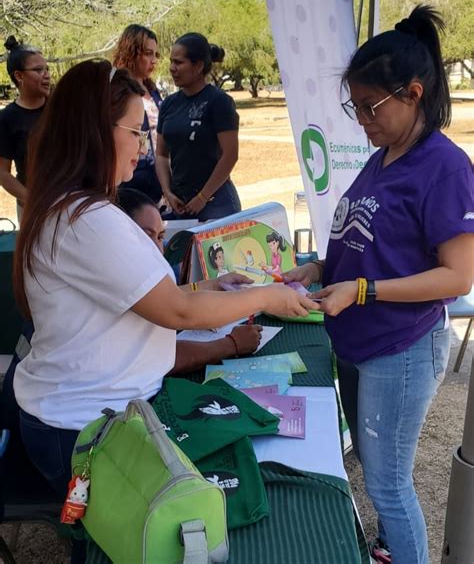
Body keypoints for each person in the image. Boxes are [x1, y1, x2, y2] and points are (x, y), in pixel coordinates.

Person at [12, 59, 316, 513]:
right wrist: (271, 294)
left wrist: (206, 289)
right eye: (135, 131)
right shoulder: (88, 219)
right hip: (81, 431)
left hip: (78, 419)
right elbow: (177, 313)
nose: (143, 147)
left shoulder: (67, 209)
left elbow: (135, 300)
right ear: (96, 130)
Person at [285, 5, 473, 564]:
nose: (360, 120)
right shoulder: (383, 157)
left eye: (370, 107)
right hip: (359, 341)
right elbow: (363, 241)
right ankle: (390, 548)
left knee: (389, 485)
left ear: (413, 93)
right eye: (356, 106)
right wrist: (319, 268)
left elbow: (458, 276)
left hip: (401, 347)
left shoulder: (445, 167)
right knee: (375, 468)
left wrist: (362, 291)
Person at [117, 187, 262, 368]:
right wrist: (231, 344)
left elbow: (171, 297)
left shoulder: (137, 280)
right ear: (118, 239)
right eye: (146, 236)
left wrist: (215, 284)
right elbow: (165, 355)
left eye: (160, 236)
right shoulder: (119, 281)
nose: (157, 248)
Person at [156, 32, 241, 221]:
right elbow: (161, 154)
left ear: (199, 66)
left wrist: (202, 197)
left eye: (178, 63)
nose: (172, 68)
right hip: (179, 205)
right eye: (171, 62)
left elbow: (230, 155)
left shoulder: (219, 102)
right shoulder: (169, 104)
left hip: (216, 205)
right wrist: (168, 192)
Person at [0, 36, 50, 222]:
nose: (46, 74)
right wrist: (32, 200)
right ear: (19, 76)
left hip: (69, 203)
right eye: (38, 70)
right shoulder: (7, 118)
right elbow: (3, 173)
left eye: (47, 69)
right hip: (33, 211)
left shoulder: (61, 108)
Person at [113, 24, 163, 203]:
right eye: (148, 53)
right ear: (131, 52)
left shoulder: (153, 90)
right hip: (131, 178)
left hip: (159, 178)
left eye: (155, 55)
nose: (154, 61)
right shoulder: (117, 89)